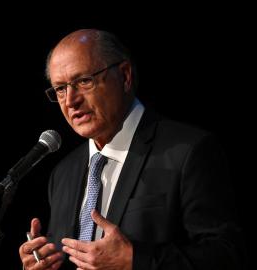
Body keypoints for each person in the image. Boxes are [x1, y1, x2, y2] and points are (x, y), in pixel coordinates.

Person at [19, 29, 245, 270]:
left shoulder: (188, 152)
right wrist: (43, 263)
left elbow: (227, 256)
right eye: (61, 89)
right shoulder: (63, 173)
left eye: (84, 81)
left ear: (125, 76)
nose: (70, 100)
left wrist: (135, 260)